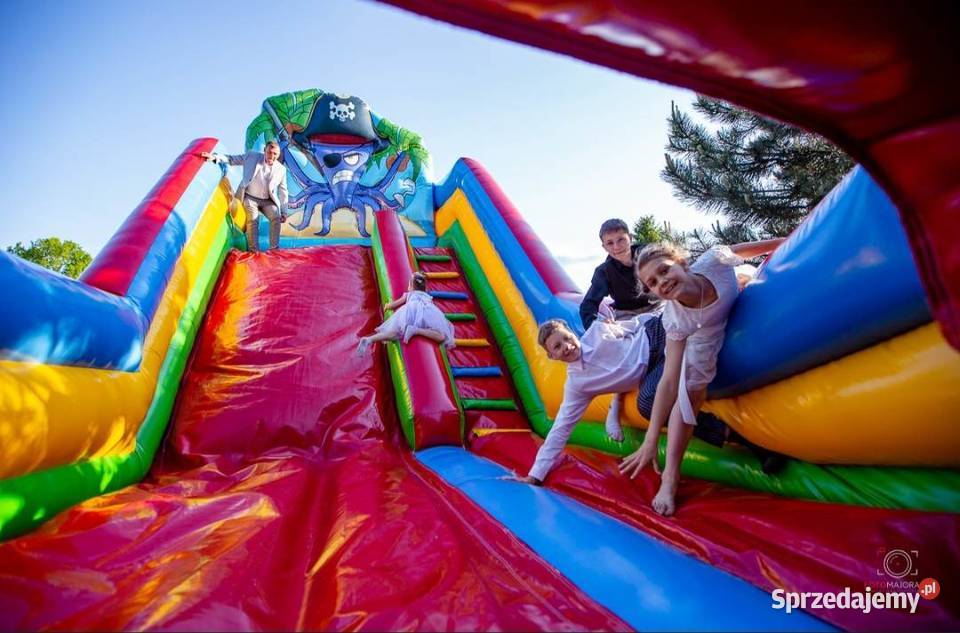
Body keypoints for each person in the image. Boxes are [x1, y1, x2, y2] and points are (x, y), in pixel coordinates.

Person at [619, 238, 785, 516]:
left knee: (687, 392)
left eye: (664, 270)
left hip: (722, 305)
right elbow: (670, 381)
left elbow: (759, 247)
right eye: (652, 283)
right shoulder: (676, 319)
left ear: (682, 263)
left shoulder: (712, 262)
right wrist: (650, 439)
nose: (661, 282)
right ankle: (670, 477)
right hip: (694, 335)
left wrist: (796, 238)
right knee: (688, 394)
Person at [515, 315, 734, 485]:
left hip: (656, 336)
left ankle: (728, 432)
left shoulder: (598, 332)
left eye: (566, 338)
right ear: (551, 356)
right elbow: (560, 429)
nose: (567, 346)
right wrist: (536, 475)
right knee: (647, 403)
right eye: (558, 347)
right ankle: (727, 432)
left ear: (572, 333)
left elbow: (635, 325)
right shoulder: (578, 385)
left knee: (648, 400)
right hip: (654, 368)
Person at [201, 140, 288, 252]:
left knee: (276, 216)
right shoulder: (252, 157)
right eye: (269, 152)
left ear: (278, 155)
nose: (272, 156)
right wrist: (214, 157)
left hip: (267, 200)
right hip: (250, 197)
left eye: (275, 154)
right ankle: (254, 251)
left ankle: (274, 249)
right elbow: (232, 159)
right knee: (253, 218)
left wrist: (284, 211)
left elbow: (283, 191)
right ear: (264, 151)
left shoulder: (281, 170)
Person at [579, 218, 661, 330]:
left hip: (657, 306)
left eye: (621, 240)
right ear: (604, 247)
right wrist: (597, 325)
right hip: (627, 316)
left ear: (630, 238)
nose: (616, 247)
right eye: (610, 243)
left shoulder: (649, 254)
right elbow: (588, 305)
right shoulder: (604, 272)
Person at [357, 272, 455, 354]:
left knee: (393, 333)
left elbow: (394, 305)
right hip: (426, 316)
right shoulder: (427, 297)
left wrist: (387, 306)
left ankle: (369, 339)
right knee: (441, 336)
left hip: (409, 313)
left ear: (411, 287)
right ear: (425, 289)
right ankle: (417, 330)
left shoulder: (408, 294)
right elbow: (430, 311)